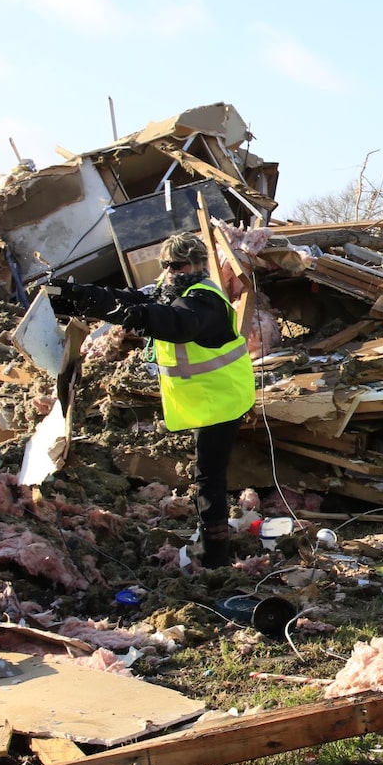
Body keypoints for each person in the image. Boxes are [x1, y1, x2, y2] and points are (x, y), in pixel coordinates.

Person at [47, 233, 255, 569]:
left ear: (199, 264)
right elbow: (129, 297)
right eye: (167, 265)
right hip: (205, 398)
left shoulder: (205, 299)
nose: (171, 271)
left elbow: (176, 324)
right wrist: (76, 297)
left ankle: (215, 554)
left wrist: (132, 317)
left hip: (223, 399)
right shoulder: (172, 289)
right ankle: (210, 542)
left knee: (209, 476)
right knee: (208, 475)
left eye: (179, 264)